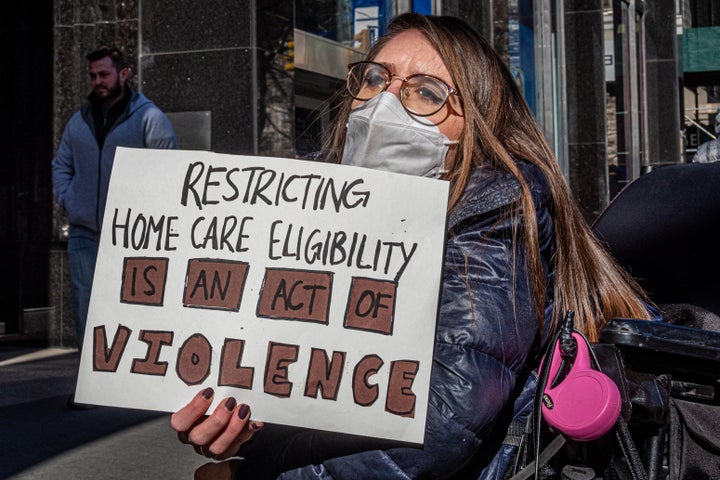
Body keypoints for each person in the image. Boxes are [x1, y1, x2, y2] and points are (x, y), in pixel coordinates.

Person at [171, 13, 655, 479]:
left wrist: (265, 476)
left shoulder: (493, 210)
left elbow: (445, 420)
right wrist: (243, 422)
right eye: (376, 79)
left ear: (479, 124)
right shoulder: (310, 208)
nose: (385, 104)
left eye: (426, 92)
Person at [52, 46, 177, 353]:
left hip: (130, 234)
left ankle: (130, 375)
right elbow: (61, 165)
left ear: (123, 74)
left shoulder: (149, 118)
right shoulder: (78, 121)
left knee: (131, 303)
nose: (98, 81)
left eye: (104, 74)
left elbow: (168, 171)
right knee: (85, 305)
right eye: (93, 75)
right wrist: (69, 199)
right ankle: (89, 377)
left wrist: (146, 216)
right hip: (84, 231)